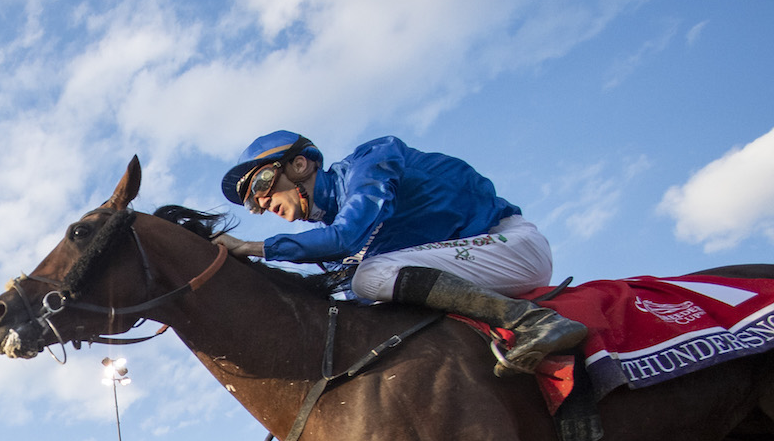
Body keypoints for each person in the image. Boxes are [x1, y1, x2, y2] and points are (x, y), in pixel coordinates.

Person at [216, 131, 586, 376]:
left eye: (262, 183)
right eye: (253, 202)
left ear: (300, 164)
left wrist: (253, 248)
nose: (263, 202)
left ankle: (534, 322)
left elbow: (346, 236)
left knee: (369, 275)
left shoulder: (372, 160)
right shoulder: (326, 243)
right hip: (468, 264)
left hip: (511, 247)